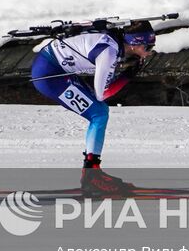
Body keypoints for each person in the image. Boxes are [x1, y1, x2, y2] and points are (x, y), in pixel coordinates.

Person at [29, 20, 155, 196]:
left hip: (52, 65)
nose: (149, 52)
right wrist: (128, 75)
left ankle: (92, 172)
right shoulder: (108, 53)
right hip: (49, 76)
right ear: (134, 44)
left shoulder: (114, 41)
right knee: (99, 113)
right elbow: (102, 94)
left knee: (99, 112)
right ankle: (91, 175)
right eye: (148, 48)